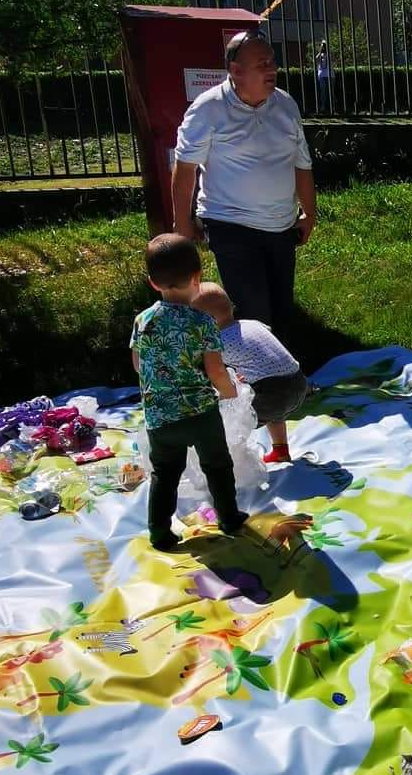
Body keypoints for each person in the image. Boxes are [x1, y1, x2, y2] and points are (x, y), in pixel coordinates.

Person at [171, 30, 316, 332]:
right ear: (236, 71)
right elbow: (184, 170)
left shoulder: (285, 105)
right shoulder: (208, 109)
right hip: (230, 225)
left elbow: (302, 165)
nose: (272, 69)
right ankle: (254, 376)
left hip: (280, 226)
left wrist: (309, 213)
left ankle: (280, 373)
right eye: (262, 64)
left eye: (272, 62)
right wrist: (183, 224)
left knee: (281, 309)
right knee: (254, 313)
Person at [131, 235, 247, 552]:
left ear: (153, 283)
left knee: (164, 474)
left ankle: (159, 532)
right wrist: (228, 391)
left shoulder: (143, 321)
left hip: (160, 417)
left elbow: (139, 365)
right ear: (197, 278)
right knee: (217, 466)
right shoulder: (202, 322)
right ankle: (229, 517)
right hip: (200, 414)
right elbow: (215, 370)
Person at [192, 281, 309, 466]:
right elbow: (258, 353)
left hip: (272, 392)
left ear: (209, 321)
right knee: (275, 415)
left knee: (232, 421)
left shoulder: (217, 342)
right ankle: (280, 451)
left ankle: (225, 462)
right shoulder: (252, 324)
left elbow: (214, 373)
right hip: (298, 382)